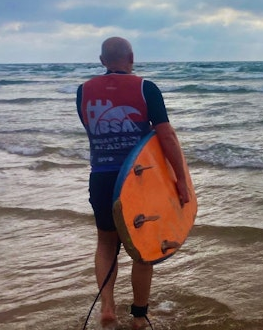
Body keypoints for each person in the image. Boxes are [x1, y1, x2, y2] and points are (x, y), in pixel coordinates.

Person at [77, 37, 191, 330]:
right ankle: (139, 315)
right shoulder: (146, 88)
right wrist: (180, 179)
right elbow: (165, 136)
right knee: (144, 246)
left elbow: (91, 130)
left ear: (102, 61)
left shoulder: (83, 91)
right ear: (132, 57)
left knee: (106, 241)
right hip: (138, 179)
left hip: (101, 176)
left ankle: (107, 307)